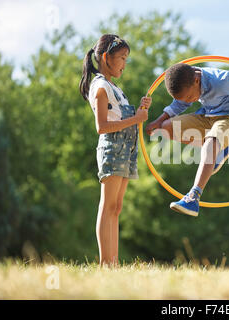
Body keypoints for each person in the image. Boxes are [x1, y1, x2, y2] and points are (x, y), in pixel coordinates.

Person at [146, 63, 229, 217]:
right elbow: (180, 102)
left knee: (212, 139)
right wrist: (159, 120)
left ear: (197, 80)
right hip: (208, 117)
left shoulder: (221, 82)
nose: (190, 100)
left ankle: (193, 197)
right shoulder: (189, 80)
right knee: (166, 128)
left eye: (190, 97)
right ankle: (221, 148)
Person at [79, 34, 152, 267]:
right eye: (122, 58)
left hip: (126, 149)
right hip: (113, 147)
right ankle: (105, 263)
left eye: (126, 58)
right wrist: (137, 119)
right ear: (105, 57)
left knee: (117, 207)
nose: (124, 63)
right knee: (107, 205)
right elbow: (102, 126)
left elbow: (121, 116)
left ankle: (114, 261)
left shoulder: (114, 88)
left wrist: (139, 111)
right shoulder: (100, 86)